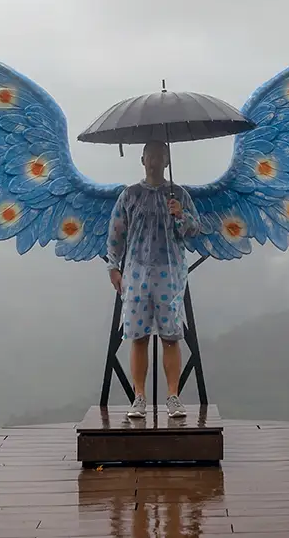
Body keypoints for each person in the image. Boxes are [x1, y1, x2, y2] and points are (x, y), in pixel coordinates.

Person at [107, 141, 201, 419]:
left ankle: (173, 396)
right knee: (137, 336)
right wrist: (113, 266)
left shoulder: (179, 194)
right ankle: (139, 397)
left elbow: (194, 229)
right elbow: (116, 232)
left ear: (167, 161)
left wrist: (179, 214)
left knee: (171, 335)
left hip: (169, 272)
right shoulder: (130, 195)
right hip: (136, 271)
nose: (154, 161)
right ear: (142, 159)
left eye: (160, 156)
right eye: (150, 156)